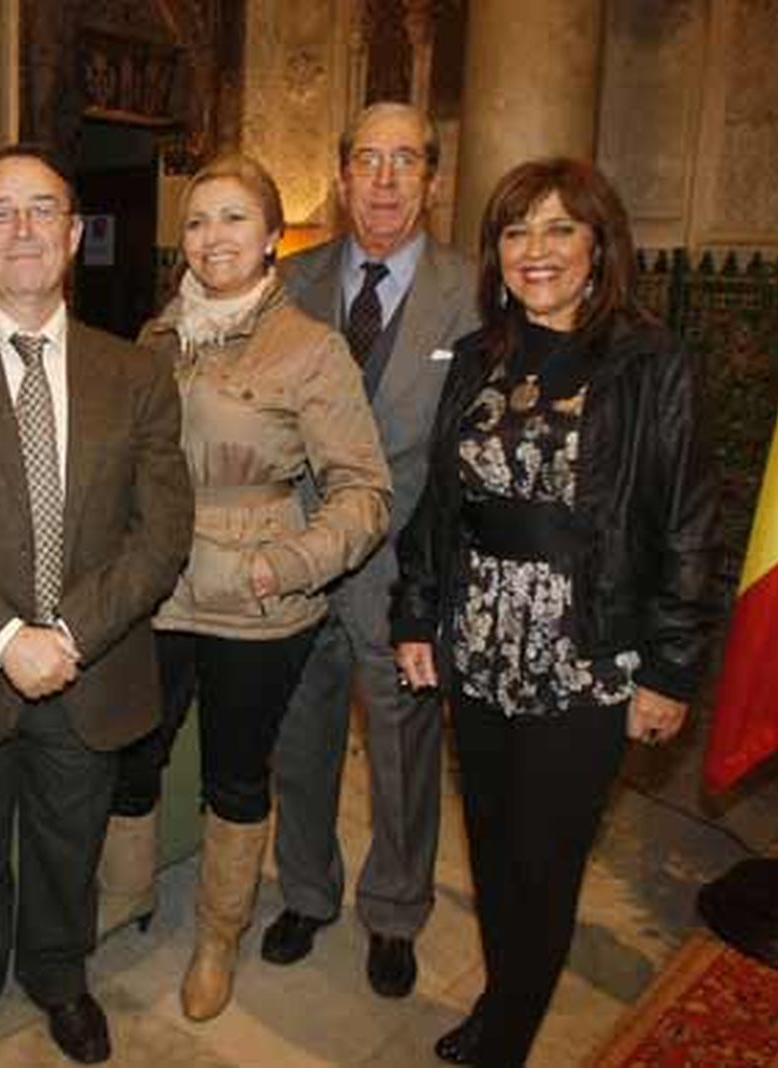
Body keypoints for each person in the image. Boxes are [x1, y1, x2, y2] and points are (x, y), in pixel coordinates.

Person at [393, 157, 721, 1067]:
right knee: (492, 846)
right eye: (515, 230)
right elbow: (440, 504)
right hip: (480, 638)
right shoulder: (477, 356)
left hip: (588, 649)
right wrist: (416, 615)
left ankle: (507, 1037)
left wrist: (670, 669)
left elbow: (689, 525)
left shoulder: (653, 362)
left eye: (559, 228)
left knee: (544, 858)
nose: (535, 250)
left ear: (598, 245)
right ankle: (506, 999)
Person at [0, 145, 192, 1067]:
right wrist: (6, 638)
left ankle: (59, 978)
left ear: (75, 233)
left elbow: (162, 533)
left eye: (43, 209)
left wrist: (69, 634)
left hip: (92, 667)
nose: (23, 229)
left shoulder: (136, 373)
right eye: (0, 213)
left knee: (68, 846)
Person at [99, 153, 392, 1022]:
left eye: (234, 218)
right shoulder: (156, 338)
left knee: (234, 774)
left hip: (256, 602)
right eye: (197, 221)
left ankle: (218, 937)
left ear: (272, 237)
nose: (212, 236)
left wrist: (289, 563)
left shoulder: (311, 348)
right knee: (132, 753)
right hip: (155, 586)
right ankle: (123, 895)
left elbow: (365, 491)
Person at [262, 102, 480, 998]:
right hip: (299, 560)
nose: (385, 180)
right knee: (299, 741)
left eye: (405, 161)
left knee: (402, 757)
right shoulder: (290, 279)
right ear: (342, 176)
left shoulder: (476, 291)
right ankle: (307, 893)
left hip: (403, 575)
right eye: (367, 160)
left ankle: (394, 912)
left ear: (433, 180)